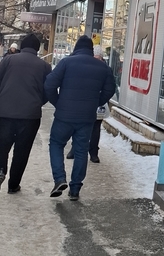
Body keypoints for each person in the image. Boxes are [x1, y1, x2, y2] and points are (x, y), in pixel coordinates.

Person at [45, 35, 115, 200]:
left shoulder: (66, 63)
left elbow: (49, 85)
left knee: (56, 144)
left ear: (76, 48)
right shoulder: (103, 67)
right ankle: (75, 189)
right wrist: (97, 102)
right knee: (81, 150)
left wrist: (58, 103)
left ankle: (59, 179)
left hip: (64, 116)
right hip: (86, 118)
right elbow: (110, 89)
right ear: (91, 50)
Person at [0, 33, 51, 195]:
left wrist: (0, 98)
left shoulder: (9, 60)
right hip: (30, 116)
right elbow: (48, 90)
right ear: (37, 49)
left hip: (5, 113)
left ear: (22, 46)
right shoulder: (44, 66)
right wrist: (38, 102)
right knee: (22, 151)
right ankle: (13, 185)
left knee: (1, 146)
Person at [66, 45, 107, 164]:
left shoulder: (104, 69)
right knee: (78, 126)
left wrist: (101, 100)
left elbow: (109, 87)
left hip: (97, 102)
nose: (96, 59)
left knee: (95, 128)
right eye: (94, 57)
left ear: (101, 58)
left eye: (98, 57)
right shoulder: (85, 66)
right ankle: (74, 148)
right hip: (83, 102)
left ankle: (93, 152)